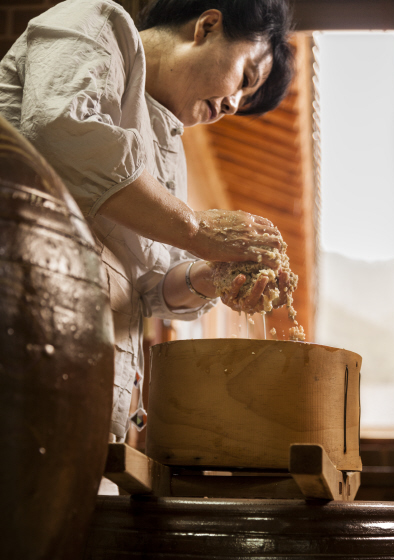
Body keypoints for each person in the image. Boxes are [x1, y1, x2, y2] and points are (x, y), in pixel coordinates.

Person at [0, 0, 294, 442]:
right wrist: (196, 230)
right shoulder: (98, 23)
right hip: (20, 330)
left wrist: (215, 273)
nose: (233, 105)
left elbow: (153, 288)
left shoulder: (169, 154)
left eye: (246, 101)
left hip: (91, 389)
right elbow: (62, 131)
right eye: (246, 78)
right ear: (208, 26)